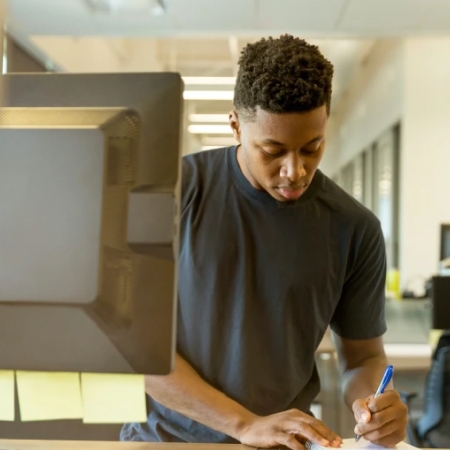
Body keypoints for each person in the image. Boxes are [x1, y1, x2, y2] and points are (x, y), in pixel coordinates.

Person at [121, 34, 408, 449]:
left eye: (312, 148)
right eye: (273, 150)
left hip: (282, 443)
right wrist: (242, 423)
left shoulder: (353, 227)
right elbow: (134, 348)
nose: (295, 170)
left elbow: (363, 357)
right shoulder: (172, 193)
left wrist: (373, 405)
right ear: (236, 124)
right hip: (164, 440)